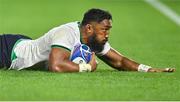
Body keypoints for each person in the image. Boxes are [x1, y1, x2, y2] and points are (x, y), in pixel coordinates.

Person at [0, 8, 175, 73]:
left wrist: (148, 69)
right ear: (89, 28)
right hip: (9, 51)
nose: (107, 35)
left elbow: (120, 61)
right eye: (104, 30)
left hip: (24, 45)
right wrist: (87, 67)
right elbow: (56, 65)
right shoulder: (67, 33)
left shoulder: (93, 41)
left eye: (108, 30)